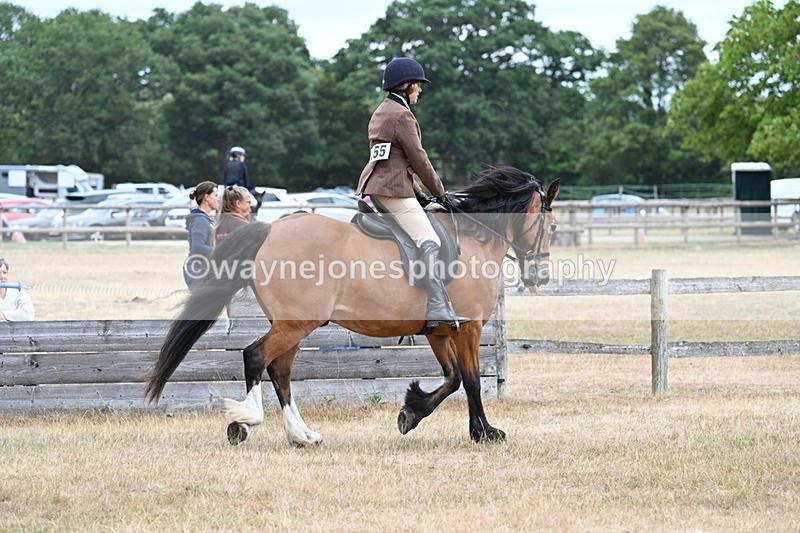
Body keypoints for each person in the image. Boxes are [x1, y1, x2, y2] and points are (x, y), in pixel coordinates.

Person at [355, 57, 469, 330]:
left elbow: (394, 161)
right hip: (392, 190)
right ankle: (438, 306)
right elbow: (419, 159)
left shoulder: (383, 111)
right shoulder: (401, 115)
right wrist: (440, 193)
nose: (420, 90)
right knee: (428, 238)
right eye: (417, 85)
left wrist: (418, 193)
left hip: (383, 187)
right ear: (405, 86)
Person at [184, 181, 219, 288]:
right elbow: (198, 247)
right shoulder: (200, 220)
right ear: (207, 197)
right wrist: (220, 252)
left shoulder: (208, 219)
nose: (219, 199)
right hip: (198, 271)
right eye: (216, 195)